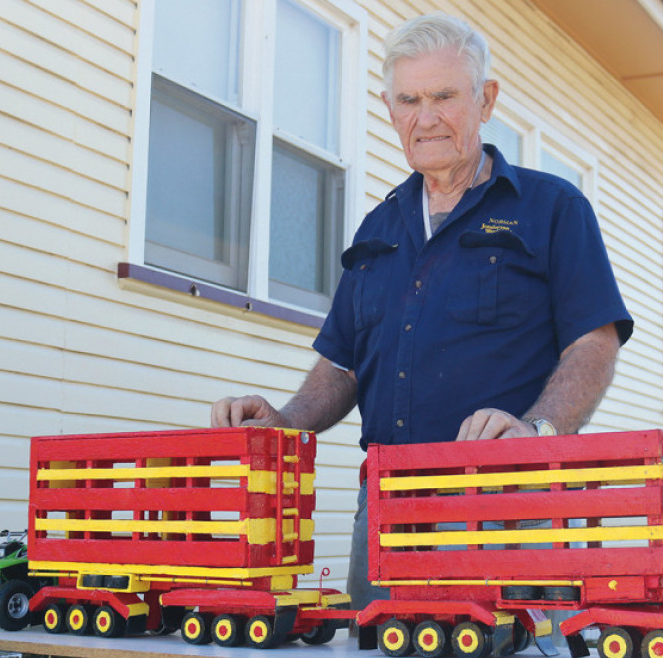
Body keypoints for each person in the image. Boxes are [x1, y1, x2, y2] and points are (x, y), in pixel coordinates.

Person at [211, 13, 633, 608]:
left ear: (485, 100)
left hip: (506, 507)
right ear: (389, 108)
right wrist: (283, 421)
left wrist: (535, 432)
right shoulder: (376, 229)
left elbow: (594, 341)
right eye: (409, 99)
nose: (426, 116)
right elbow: (344, 367)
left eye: (444, 96)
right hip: (387, 512)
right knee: (382, 648)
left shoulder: (552, 208)